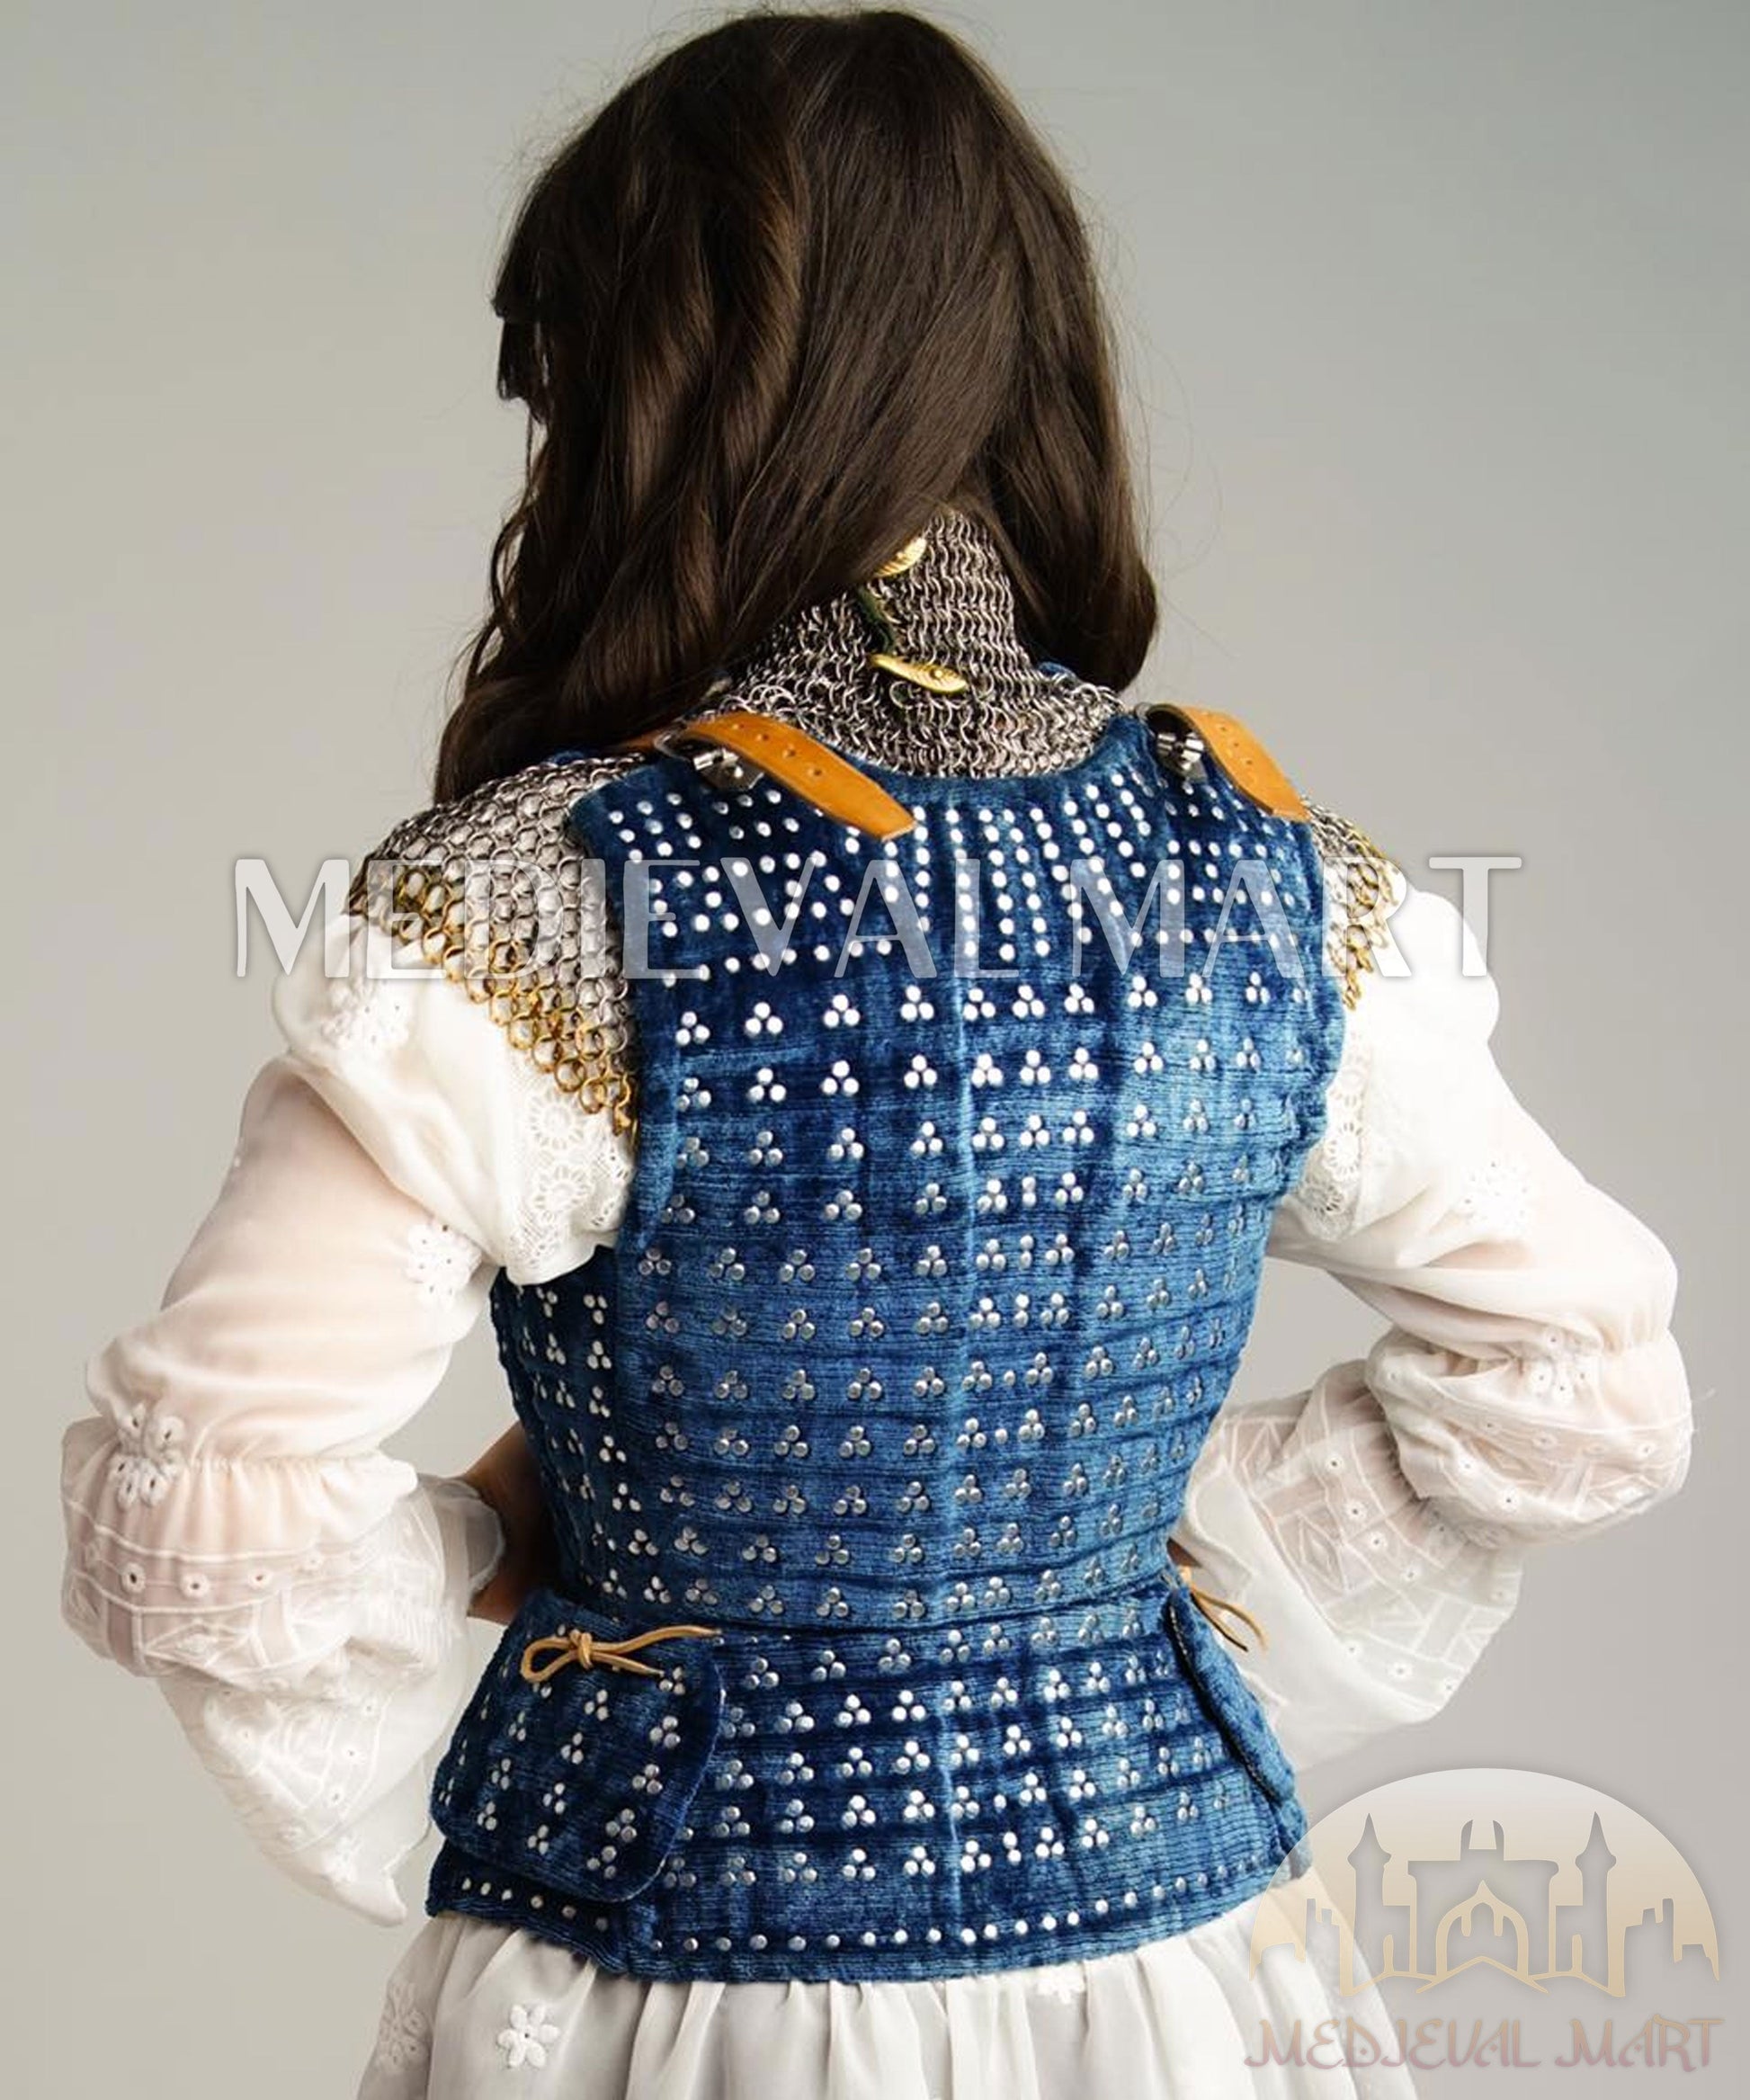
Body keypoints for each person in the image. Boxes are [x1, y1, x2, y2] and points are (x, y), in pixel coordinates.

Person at [58, 11, 1692, 2096]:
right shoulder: (1275, 888)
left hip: (689, 1991)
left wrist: (492, 1558)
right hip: (1180, 1977)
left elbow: (204, 1513)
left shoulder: (544, 901)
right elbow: (1581, 1383)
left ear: (646, 399)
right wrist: (1115, 1578)